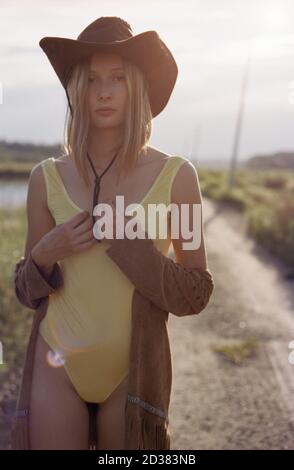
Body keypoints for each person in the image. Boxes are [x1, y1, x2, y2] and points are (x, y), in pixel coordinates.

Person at [12, 16, 214, 450]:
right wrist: (47, 253)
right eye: (91, 80)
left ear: (137, 86)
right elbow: (26, 292)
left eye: (118, 78)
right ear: (76, 91)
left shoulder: (177, 177)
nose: (103, 92)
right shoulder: (44, 178)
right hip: (58, 364)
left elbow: (196, 292)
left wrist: (128, 246)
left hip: (132, 371)